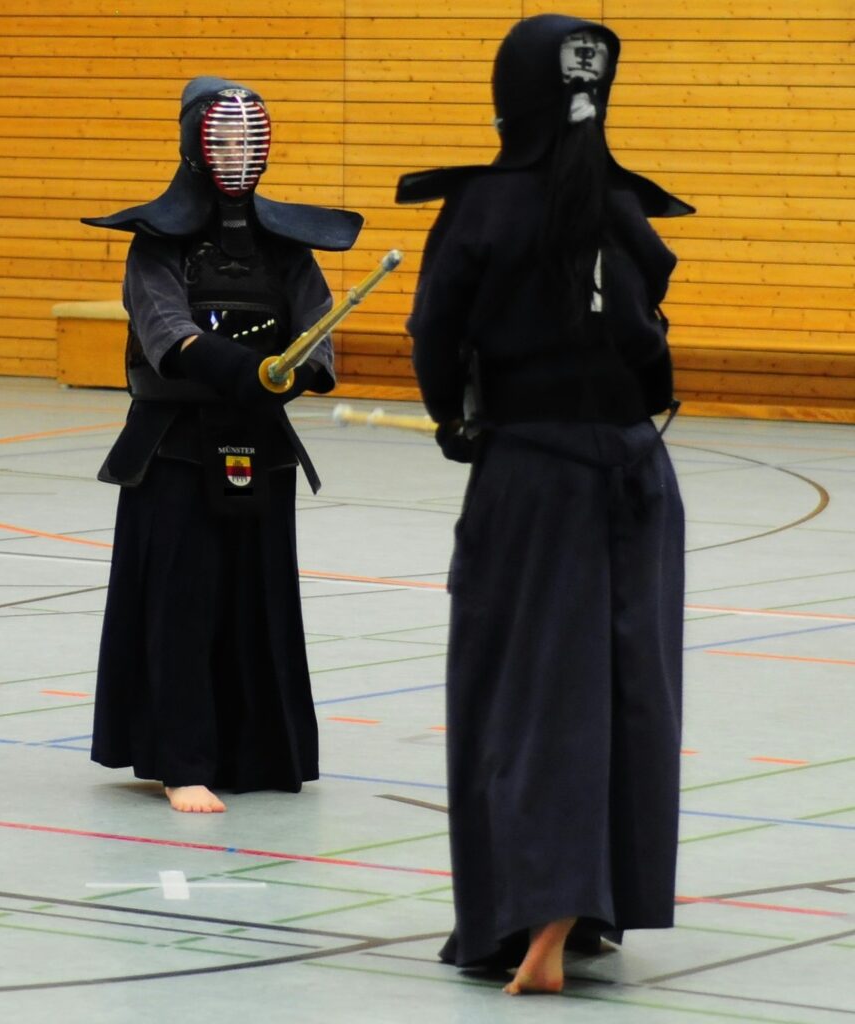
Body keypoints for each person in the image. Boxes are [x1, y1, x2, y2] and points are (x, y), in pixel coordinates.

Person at [397, 15, 693, 994]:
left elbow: (434, 334)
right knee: (623, 693)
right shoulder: (621, 205)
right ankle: (597, 907)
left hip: (533, 478)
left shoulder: (483, 208)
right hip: (636, 476)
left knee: (522, 697)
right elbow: (650, 350)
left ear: (508, 96)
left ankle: (531, 915)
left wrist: (455, 417)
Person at [82, 77, 363, 813]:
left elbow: (316, 325)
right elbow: (167, 333)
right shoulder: (157, 246)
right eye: (224, 139)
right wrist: (244, 370)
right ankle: (181, 762)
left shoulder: (285, 248)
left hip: (259, 446)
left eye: (249, 139)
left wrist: (302, 371)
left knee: (257, 603)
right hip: (175, 447)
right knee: (182, 602)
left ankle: (253, 753)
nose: (238, 153)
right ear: (195, 145)